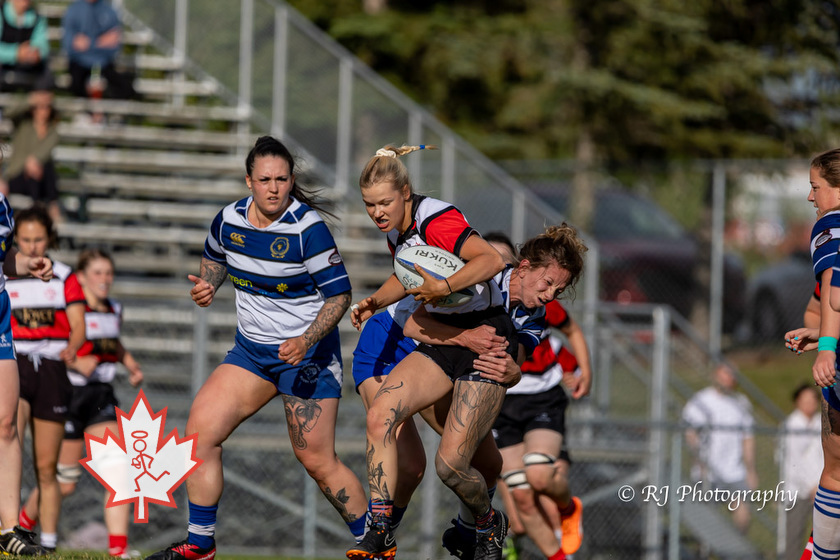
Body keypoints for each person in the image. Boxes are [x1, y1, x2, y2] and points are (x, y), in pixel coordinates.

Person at [346, 145, 585, 560]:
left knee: (456, 465)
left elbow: (515, 360)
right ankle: (382, 526)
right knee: (382, 415)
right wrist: (377, 301)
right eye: (371, 204)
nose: (548, 296)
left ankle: (482, 525)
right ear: (524, 267)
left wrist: (512, 371)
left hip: (477, 352)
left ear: (405, 194)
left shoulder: (522, 308)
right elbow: (414, 292)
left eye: (556, 292)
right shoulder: (410, 231)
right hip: (440, 339)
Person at [144, 136, 367, 560]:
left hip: (307, 358)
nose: (274, 188)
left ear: (290, 181)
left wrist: (305, 340)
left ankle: (376, 544)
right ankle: (200, 545)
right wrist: (209, 285)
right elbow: (215, 259)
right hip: (251, 354)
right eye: (264, 179)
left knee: (318, 462)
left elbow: (340, 295)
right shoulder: (228, 221)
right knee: (198, 436)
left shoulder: (307, 230)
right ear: (249, 181)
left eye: (282, 179)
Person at [17, 249, 144, 558]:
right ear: (83, 277)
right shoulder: (71, 309)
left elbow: (112, 341)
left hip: (101, 396)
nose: (105, 279)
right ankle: (21, 525)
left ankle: (119, 551)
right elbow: (53, 348)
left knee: (119, 470)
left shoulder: (115, 307)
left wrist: (130, 364)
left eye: (108, 273)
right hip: (69, 396)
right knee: (63, 481)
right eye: (97, 273)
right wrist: (76, 363)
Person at [482, 232, 589, 560]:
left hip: (542, 397)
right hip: (503, 405)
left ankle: (569, 506)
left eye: (557, 289)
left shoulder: (538, 306)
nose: (551, 294)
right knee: (522, 500)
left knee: (540, 477)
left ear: (518, 264)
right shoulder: (479, 296)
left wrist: (587, 371)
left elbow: (570, 330)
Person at [7, 205, 85, 552]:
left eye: (39, 239)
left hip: (52, 368)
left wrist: (74, 346)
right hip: (15, 360)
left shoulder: (64, 275)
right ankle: (8, 529)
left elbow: (79, 325)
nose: (33, 246)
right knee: (6, 432)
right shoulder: (5, 275)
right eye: (25, 240)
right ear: (15, 240)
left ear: (49, 239)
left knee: (45, 464)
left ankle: (48, 543)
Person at [784, 147, 840, 560]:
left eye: (815, 186)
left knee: (836, 469)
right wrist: (819, 331)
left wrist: (825, 347)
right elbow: (819, 305)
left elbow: (835, 294)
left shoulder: (831, 225)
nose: (810, 197)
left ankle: (819, 552)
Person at [0, 195, 53, 557]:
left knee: (5, 423)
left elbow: (3, 260)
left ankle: (8, 529)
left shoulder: (1, 205)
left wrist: (28, 265)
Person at [681, 362, 757, 535]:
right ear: (716, 375)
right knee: (707, 524)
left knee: (743, 516)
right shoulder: (700, 400)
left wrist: (751, 470)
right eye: (725, 374)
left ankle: (734, 551)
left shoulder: (741, 402)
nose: (729, 378)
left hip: (734, 472)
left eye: (732, 375)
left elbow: (747, 439)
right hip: (708, 473)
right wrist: (698, 459)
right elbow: (691, 433)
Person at [1, 88, 61, 224]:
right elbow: (9, 113)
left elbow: (44, 152)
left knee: (42, 165)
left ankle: (40, 207)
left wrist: (33, 161)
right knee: (40, 165)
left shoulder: (53, 131)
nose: (43, 110)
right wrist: (31, 99)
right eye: (39, 106)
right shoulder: (23, 125)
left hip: (38, 177)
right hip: (17, 176)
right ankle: (50, 205)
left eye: (46, 107)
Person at [61, 0, 136, 100]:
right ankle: (89, 113)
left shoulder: (109, 11)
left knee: (125, 89)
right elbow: (69, 43)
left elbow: (115, 44)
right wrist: (101, 41)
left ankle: (105, 113)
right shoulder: (73, 10)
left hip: (103, 63)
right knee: (77, 86)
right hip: (79, 62)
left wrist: (88, 43)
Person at [780, 384, 822, 560]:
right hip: (798, 491)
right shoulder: (792, 424)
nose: (809, 403)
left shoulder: (822, 421)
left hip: (822, 488)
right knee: (794, 537)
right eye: (805, 399)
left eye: (812, 399)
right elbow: (795, 461)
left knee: (823, 539)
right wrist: (811, 486)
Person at [0, 0, 51, 93]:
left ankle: (40, 106)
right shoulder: (1, 13)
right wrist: (16, 53)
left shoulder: (37, 17)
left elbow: (43, 46)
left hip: (28, 64)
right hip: (4, 65)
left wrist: (36, 54)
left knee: (45, 73)